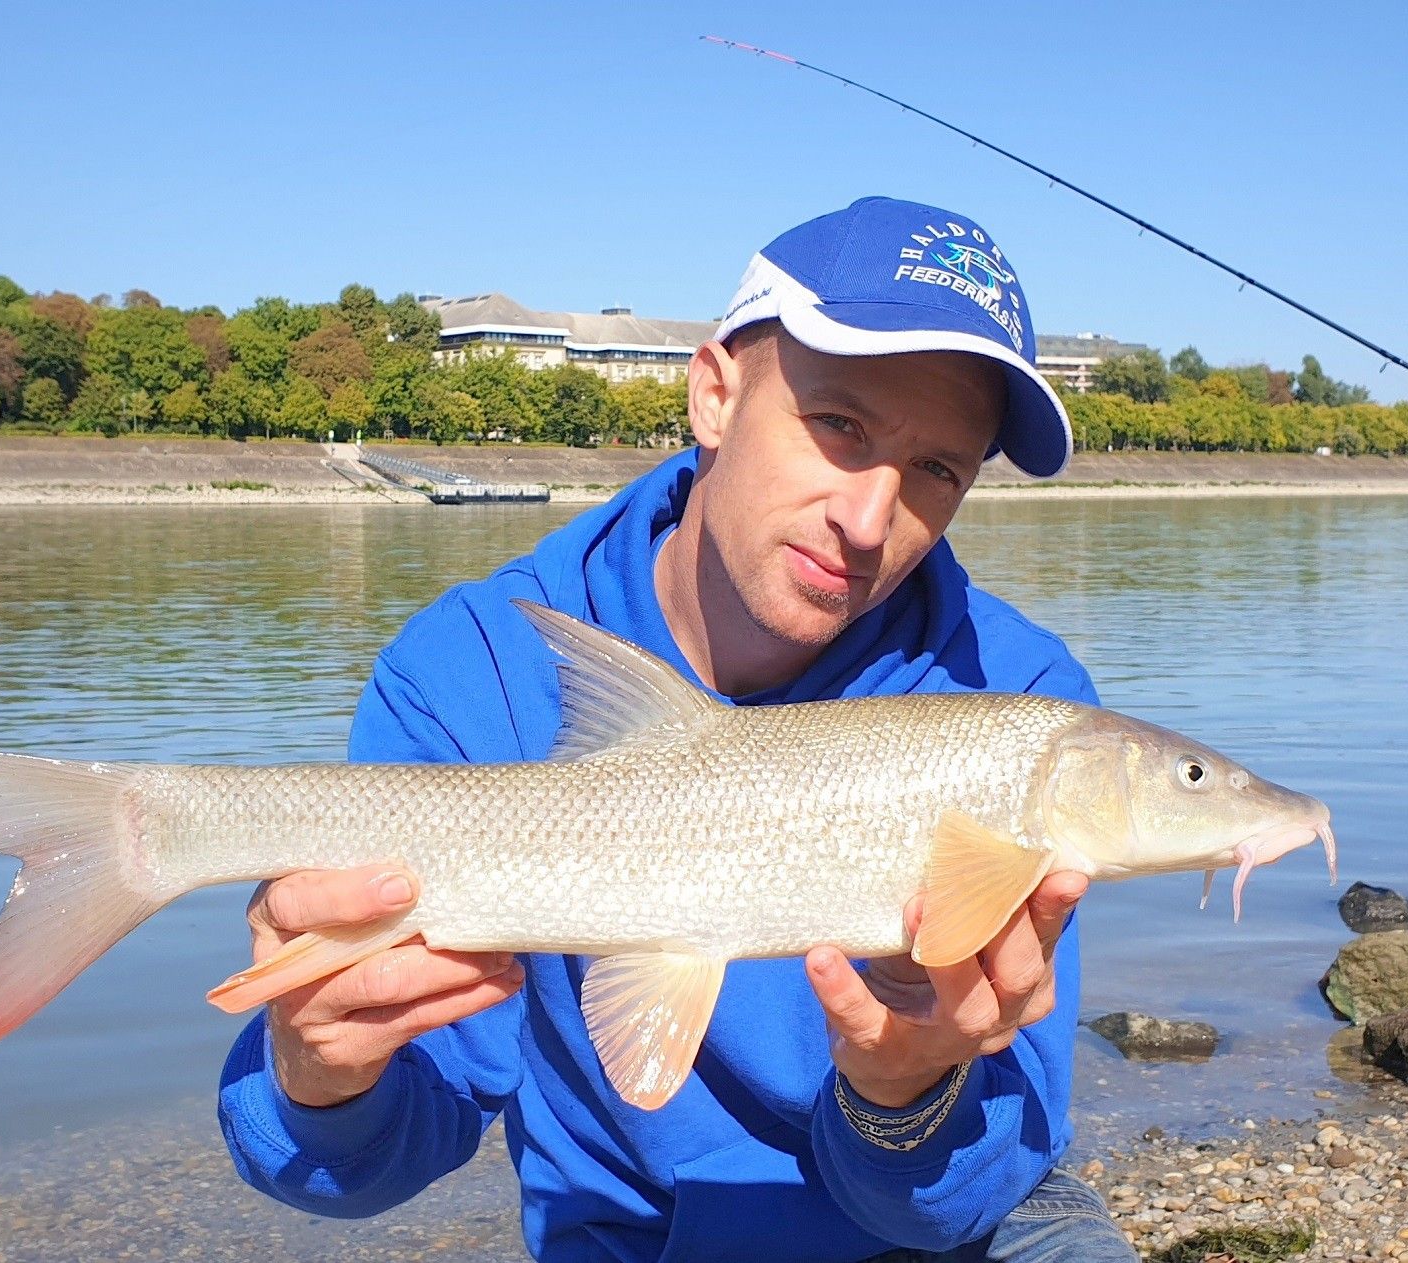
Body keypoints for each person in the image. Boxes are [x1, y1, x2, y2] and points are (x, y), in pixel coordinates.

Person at [218, 196, 1140, 1263]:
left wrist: (906, 1090)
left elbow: (971, 1187)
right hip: (630, 1237)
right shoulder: (474, 672)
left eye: (938, 469)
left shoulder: (1017, 701)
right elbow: (379, 1157)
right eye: (840, 426)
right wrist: (322, 1074)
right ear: (713, 394)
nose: (871, 520)